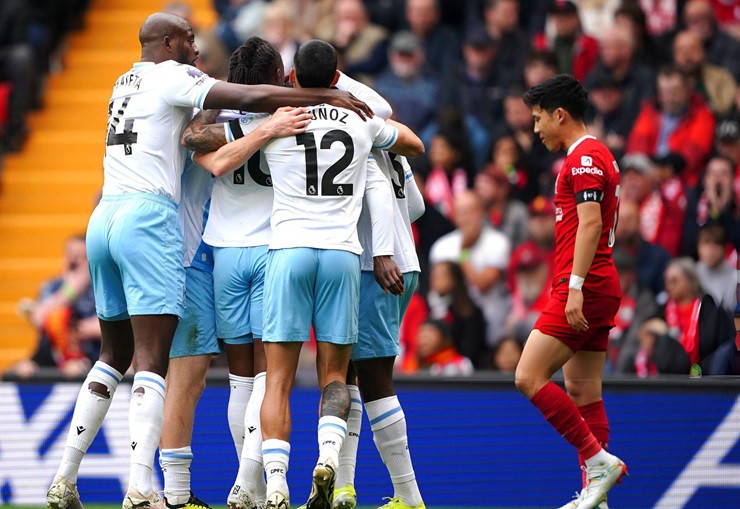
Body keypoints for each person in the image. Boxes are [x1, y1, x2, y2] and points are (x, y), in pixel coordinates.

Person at [46, 12, 374, 509]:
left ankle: (81, 480)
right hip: (201, 242)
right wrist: (325, 93)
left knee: (149, 364)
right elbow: (248, 104)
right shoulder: (242, 105)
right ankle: (181, 487)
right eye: (191, 45)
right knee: (207, 370)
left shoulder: (129, 85)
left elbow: (206, 141)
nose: (197, 55)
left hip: (121, 221)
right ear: (171, 43)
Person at [257, 40, 424, 509]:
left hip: (300, 251)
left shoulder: (277, 118)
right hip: (347, 255)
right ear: (338, 77)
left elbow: (216, 142)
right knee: (341, 375)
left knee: (283, 381)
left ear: (291, 77)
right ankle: (337, 475)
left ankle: (276, 486)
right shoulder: (363, 119)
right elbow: (410, 164)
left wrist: (384, 251)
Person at [161, 38, 312, 509]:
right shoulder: (292, 117)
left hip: (224, 252)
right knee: (271, 375)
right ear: (278, 75)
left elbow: (207, 153)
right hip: (273, 249)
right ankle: (250, 483)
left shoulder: (216, 124)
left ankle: (248, 484)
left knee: (240, 380)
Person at [516, 74, 627, 509]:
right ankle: (595, 496)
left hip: (583, 285)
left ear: (560, 114)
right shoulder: (599, 155)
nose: (536, 128)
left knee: (528, 376)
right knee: (584, 394)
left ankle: (597, 462)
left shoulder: (583, 158)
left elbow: (592, 222)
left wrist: (575, 287)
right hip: (601, 285)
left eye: (539, 118)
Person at [322, 74, 427, 509]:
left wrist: (382, 249)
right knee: (347, 376)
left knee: (374, 381)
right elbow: (417, 206)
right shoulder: (390, 148)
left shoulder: (357, 144)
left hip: (374, 266)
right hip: (400, 261)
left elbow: (381, 197)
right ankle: (345, 487)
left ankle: (408, 494)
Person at [429, 190, 511, 347]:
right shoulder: (441, 247)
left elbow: (482, 285)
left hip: (492, 327)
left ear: (480, 212)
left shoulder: (498, 242)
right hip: (452, 328)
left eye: (469, 211)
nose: (465, 218)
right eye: (460, 212)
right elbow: (437, 290)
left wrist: (464, 252)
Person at [13, 235, 100, 379]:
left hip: (92, 360)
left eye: (82, 257)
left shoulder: (100, 290)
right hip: (52, 358)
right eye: (71, 256)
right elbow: (40, 319)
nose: (75, 262)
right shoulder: (52, 286)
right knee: (21, 369)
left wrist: (74, 329)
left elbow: (112, 326)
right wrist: (71, 289)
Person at [627, 65, 715, 187]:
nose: (669, 98)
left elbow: (694, 152)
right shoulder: (650, 111)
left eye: (674, 91)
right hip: (648, 177)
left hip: (683, 180)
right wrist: (642, 168)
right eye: (664, 92)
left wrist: (664, 169)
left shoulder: (701, 113)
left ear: (686, 90)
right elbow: (637, 143)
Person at [427, 261, 488, 368]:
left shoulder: (469, 313)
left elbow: (470, 350)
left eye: (441, 275)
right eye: (434, 274)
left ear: (454, 278)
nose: (435, 278)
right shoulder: (428, 306)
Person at [682, 155, 740, 258]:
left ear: (732, 180)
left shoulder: (737, 205)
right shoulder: (693, 202)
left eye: (724, 173)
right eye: (713, 173)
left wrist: (724, 210)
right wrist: (714, 209)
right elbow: (690, 246)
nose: (718, 179)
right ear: (705, 180)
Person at [672, 29, 736, 117]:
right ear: (674, 55)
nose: (687, 55)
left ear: (703, 51)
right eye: (681, 50)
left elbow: (727, 106)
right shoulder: (666, 81)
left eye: (692, 49)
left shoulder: (721, 77)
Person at [531, 1, 598, 82]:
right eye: (557, 17)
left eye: (566, 17)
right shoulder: (543, 44)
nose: (561, 22)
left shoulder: (588, 45)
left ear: (576, 19)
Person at [663, 258, 703, 365]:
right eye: (667, 281)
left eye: (674, 281)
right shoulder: (661, 308)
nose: (669, 286)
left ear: (690, 280)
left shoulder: (704, 308)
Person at [696, 224, 737, 314]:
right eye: (705, 244)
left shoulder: (734, 278)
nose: (709, 251)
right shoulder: (693, 273)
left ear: (723, 248)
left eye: (715, 245)